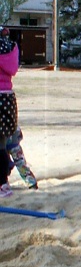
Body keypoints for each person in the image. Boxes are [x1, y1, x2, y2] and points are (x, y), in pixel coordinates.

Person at [0, 28, 22, 198]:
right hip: (8, 100)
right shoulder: (11, 47)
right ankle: (4, 181)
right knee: (5, 143)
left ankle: (2, 183)